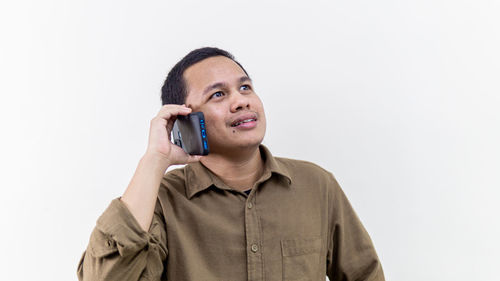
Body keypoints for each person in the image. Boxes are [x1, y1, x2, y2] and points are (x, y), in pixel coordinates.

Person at [77, 47, 385, 281]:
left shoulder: (317, 185)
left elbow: (365, 275)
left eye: (245, 87)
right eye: (218, 94)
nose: (241, 101)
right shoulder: (160, 201)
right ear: (185, 119)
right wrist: (154, 160)